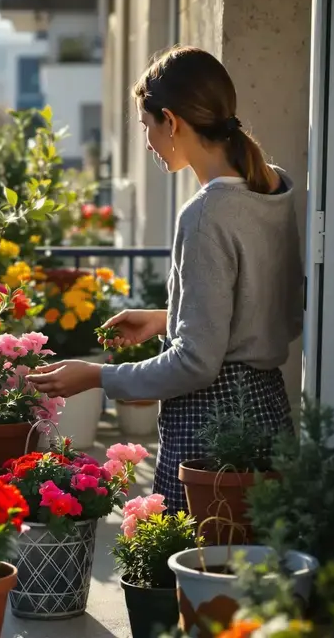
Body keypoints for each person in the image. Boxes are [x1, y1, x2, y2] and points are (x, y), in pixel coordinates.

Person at [27, 46, 305, 514]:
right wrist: (169, 318)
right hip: (267, 413)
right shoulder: (273, 187)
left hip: (210, 428)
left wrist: (97, 376)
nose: (149, 142)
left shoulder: (204, 215)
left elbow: (196, 365)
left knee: (197, 574)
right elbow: (272, 308)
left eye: (146, 126)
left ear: (171, 121)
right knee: (253, 573)